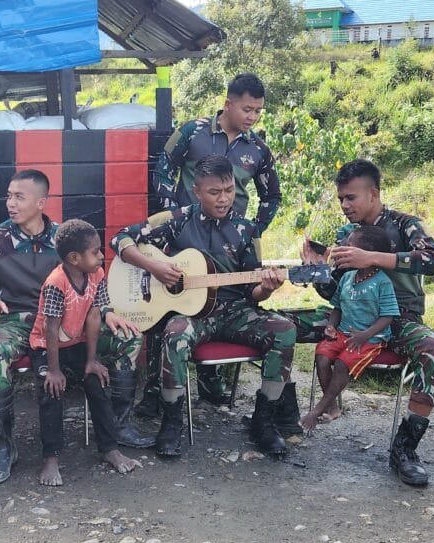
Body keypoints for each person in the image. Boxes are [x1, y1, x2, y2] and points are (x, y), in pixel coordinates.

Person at [0, 170, 150, 486]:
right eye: (8, 195)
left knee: (128, 337)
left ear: (41, 202)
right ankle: (4, 446)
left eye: (18, 197)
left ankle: (117, 427)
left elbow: (92, 285)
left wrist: (106, 312)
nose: (10, 203)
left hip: (71, 322)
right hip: (17, 321)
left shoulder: (65, 240)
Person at [111, 155, 297, 457]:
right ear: (197, 191)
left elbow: (253, 291)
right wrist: (154, 268)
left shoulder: (248, 230)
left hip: (234, 310)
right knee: (175, 334)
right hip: (191, 313)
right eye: (215, 192)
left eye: (229, 190)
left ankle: (263, 422)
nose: (224, 199)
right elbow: (120, 239)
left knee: (285, 331)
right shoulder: (177, 218)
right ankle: (172, 423)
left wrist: (267, 287)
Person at [300, 159, 434, 486]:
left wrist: (375, 258)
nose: (344, 205)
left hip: (397, 319)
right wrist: (314, 271)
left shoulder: (405, 224)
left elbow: (432, 260)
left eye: (350, 197)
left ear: (373, 194)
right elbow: (335, 290)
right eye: (341, 198)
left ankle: (405, 450)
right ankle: (280, 420)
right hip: (351, 316)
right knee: (281, 325)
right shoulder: (345, 234)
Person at [144, 72, 283, 409]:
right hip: (186, 237)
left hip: (232, 243)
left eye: (258, 111)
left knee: (229, 297)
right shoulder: (193, 131)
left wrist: (253, 230)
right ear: (228, 104)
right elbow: (162, 168)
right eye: (247, 109)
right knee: (167, 304)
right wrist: (174, 214)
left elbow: (272, 196)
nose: (252, 117)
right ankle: (153, 386)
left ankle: (212, 378)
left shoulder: (258, 150)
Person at [29, 219, 143, 485]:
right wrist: (55, 370)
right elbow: (50, 327)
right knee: (51, 390)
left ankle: (110, 448)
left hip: (77, 344)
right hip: (49, 346)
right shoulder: (56, 283)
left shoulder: (97, 274)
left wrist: (91, 361)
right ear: (74, 258)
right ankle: (51, 457)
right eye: (95, 252)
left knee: (98, 383)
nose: (102, 256)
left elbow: (94, 316)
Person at [300, 226, 399, 431]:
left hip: (371, 337)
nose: (342, 248)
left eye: (349, 245)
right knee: (323, 355)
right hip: (344, 332)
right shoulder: (347, 277)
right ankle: (333, 408)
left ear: (366, 252)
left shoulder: (382, 282)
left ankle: (318, 410)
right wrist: (331, 325)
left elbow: (388, 315)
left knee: (344, 363)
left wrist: (365, 335)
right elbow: (338, 306)